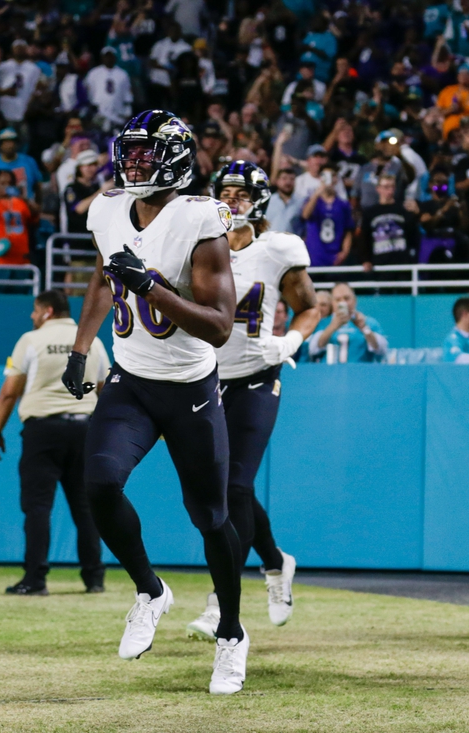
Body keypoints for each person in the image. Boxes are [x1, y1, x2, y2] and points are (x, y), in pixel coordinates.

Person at [61, 110, 248, 695]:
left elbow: (219, 327)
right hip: (131, 377)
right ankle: (150, 589)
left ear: (177, 158)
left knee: (210, 518)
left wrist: (151, 287)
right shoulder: (108, 208)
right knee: (97, 485)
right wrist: (80, 345)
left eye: (147, 154)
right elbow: (102, 276)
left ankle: (232, 636)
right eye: (131, 152)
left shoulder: (200, 218)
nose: (135, 163)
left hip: (190, 386)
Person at [185, 161, 321, 639]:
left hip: (258, 378)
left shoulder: (278, 248)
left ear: (260, 198)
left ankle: (221, 600)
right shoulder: (203, 246)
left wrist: (289, 343)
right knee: (221, 490)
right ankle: (276, 562)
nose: (233, 200)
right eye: (225, 192)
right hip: (206, 380)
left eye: (242, 193)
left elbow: (310, 307)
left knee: (235, 488)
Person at [0, 290, 110, 596]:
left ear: (47, 311)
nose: (32, 316)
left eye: (35, 310)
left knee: (38, 507)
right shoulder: (93, 342)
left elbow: (8, 392)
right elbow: (104, 390)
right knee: (86, 507)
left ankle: (35, 579)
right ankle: (94, 578)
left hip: (42, 431)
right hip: (84, 430)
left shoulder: (31, 340)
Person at [307, 283, 388, 363]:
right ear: (332, 303)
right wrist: (332, 327)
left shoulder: (368, 322)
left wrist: (364, 328)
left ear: (354, 300)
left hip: (360, 372)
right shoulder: (324, 322)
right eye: (338, 300)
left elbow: (381, 350)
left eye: (346, 298)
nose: (343, 303)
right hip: (329, 373)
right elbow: (313, 349)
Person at [356, 174, 420, 269]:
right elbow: (364, 238)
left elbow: (413, 235)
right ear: (378, 189)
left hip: (402, 263)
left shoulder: (403, 210)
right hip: (379, 262)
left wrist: (416, 214)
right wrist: (366, 260)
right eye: (386, 187)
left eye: (392, 187)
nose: (390, 191)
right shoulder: (370, 213)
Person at [0, 169, 37, 267]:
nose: (7, 186)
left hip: (20, 259)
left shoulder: (21, 203)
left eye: (10, 183)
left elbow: (34, 217)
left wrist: (25, 198)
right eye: (2, 183)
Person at [301, 169, 355, 267]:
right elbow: (305, 215)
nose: (329, 178)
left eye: (332, 175)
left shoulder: (343, 204)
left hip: (335, 255)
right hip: (314, 256)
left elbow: (348, 230)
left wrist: (345, 252)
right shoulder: (312, 201)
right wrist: (317, 193)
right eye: (325, 175)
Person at [0, 128, 43, 200]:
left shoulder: (29, 161)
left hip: (25, 207)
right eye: (5, 142)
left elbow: (38, 186)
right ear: (0, 145)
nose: (9, 145)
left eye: (12, 141)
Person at [84, 47, 134, 132]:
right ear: (102, 58)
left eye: (111, 56)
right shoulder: (94, 73)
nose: (108, 59)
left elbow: (127, 95)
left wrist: (127, 112)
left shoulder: (122, 74)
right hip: (98, 112)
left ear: (115, 57)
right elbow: (87, 91)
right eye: (106, 56)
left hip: (117, 112)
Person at [64, 151, 113, 234]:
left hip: (96, 235)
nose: (93, 169)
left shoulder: (96, 186)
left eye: (94, 165)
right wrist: (101, 192)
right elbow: (79, 209)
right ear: (79, 168)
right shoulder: (72, 188)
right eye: (89, 166)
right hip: (78, 237)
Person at [263, 167, 303, 235]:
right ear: (277, 181)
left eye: (292, 179)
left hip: (292, 243)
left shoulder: (300, 202)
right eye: (284, 179)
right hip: (270, 242)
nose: (288, 182)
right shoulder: (268, 201)